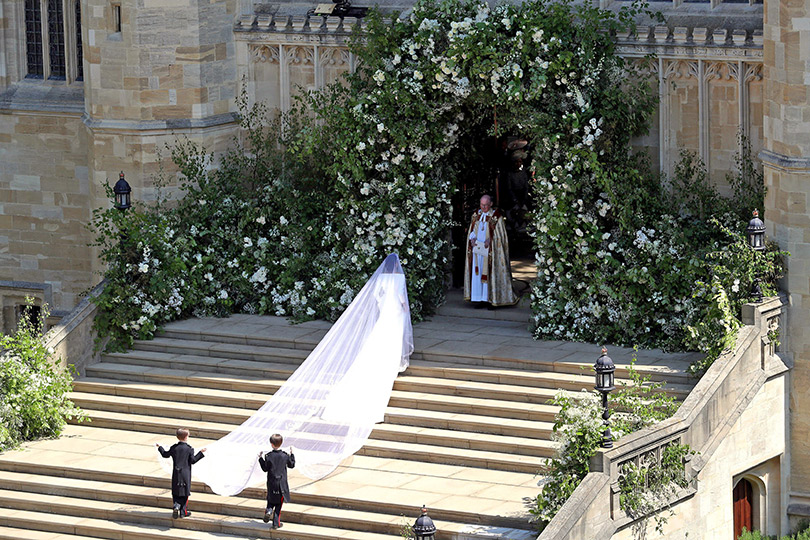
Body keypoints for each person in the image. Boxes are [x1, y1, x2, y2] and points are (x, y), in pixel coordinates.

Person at [464, 194, 517, 308]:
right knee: (478, 274)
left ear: (491, 204)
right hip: (478, 250)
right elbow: (472, 230)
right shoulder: (476, 215)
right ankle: (480, 299)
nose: (483, 208)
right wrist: (472, 239)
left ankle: (491, 299)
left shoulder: (496, 216)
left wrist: (491, 240)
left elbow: (500, 235)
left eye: (486, 205)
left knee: (490, 273)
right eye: (482, 205)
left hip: (491, 251)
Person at [156, 428, 206, 518]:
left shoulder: (174, 447)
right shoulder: (189, 449)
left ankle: (176, 505)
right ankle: (183, 512)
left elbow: (165, 454)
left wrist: (160, 447)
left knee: (176, 491)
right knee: (185, 492)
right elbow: (193, 460)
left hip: (176, 472)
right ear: (186, 437)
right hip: (185, 474)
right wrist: (201, 453)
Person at [259, 434, 296, 529]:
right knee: (279, 504)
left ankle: (268, 510)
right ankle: (276, 523)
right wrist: (292, 455)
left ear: (271, 444)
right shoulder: (285, 456)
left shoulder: (269, 456)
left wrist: (260, 459)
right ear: (281, 443)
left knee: (271, 499)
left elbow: (265, 468)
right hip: (281, 484)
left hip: (272, 483)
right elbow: (291, 465)